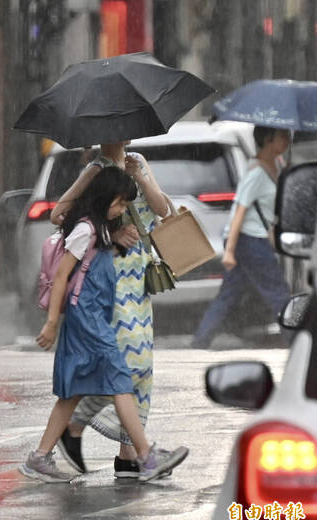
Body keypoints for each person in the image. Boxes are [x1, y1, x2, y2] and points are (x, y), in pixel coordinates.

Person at [20, 167, 188, 483]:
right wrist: (51, 323)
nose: (123, 211)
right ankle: (147, 457)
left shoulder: (100, 230)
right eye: (120, 204)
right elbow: (60, 277)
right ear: (104, 199)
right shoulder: (86, 230)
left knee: (71, 394)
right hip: (88, 319)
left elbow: (160, 210)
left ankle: (39, 458)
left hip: (92, 317)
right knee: (120, 381)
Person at [48, 141, 170, 479]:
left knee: (143, 365)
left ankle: (129, 455)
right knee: (125, 363)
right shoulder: (96, 169)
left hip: (140, 277)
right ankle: (75, 425)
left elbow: (162, 210)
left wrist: (140, 179)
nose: (123, 137)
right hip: (109, 276)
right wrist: (110, 232)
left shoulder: (139, 162)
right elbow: (58, 214)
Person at [191, 126, 292, 349]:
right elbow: (239, 211)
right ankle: (293, 339)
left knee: (230, 293)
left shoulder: (274, 165)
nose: (287, 139)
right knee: (278, 291)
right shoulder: (255, 173)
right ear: (268, 139)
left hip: (252, 239)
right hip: (248, 240)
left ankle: (201, 340)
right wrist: (229, 251)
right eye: (282, 135)